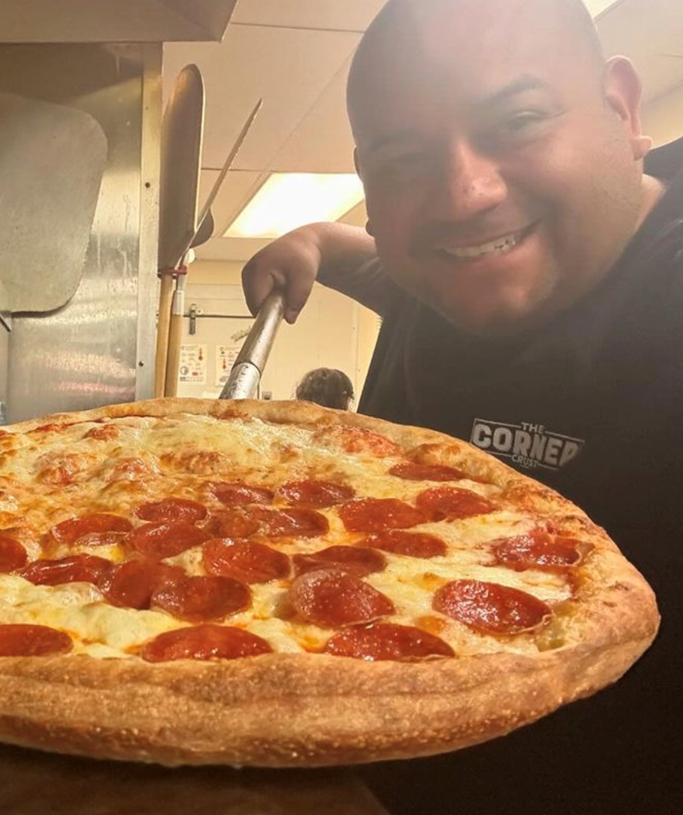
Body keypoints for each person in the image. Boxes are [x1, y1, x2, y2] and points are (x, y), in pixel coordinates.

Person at [241, 1, 683, 812]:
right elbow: (385, 255)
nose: (463, 195)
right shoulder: (447, 268)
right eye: (403, 163)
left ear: (622, 109)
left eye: (516, 121)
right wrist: (314, 238)